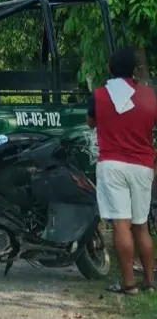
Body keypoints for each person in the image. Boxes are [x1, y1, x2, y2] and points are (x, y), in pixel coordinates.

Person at [88, 47, 157, 296]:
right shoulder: (150, 96)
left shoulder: (98, 95)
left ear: (109, 69)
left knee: (121, 225)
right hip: (142, 166)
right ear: (135, 70)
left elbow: (91, 122)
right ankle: (150, 282)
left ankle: (128, 284)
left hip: (112, 164)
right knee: (141, 226)